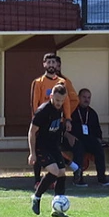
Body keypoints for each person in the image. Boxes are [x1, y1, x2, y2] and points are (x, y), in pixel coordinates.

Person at [28, 83, 76, 217]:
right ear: (51, 96)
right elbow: (31, 132)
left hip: (53, 147)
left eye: (61, 100)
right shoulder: (43, 111)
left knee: (61, 173)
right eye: (56, 100)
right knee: (54, 171)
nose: (59, 103)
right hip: (41, 147)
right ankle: (36, 197)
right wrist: (32, 153)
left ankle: (57, 209)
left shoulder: (60, 109)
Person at [30, 53, 77, 182]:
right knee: (39, 148)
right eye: (48, 62)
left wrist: (67, 119)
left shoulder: (62, 82)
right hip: (42, 122)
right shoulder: (38, 82)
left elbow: (66, 102)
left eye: (53, 62)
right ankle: (37, 180)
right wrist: (36, 121)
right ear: (44, 64)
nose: (51, 65)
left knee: (55, 147)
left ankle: (55, 178)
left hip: (57, 122)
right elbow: (34, 103)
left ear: (57, 65)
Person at [69, 88, 109, 187]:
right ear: (78, 97)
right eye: (84, 97)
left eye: (88, 97)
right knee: (79, 148)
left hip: (88, 139)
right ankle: (78, 178)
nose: (86, 100)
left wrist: (99, 139)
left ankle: (102, 178)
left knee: (98, 148)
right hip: (74, 139)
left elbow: (97, 130)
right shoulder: (72, 110)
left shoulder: (92, 113)